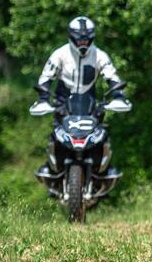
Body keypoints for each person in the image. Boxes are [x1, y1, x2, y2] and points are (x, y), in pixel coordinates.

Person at [30, 16, 130, 178]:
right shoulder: (60, 54)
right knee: (56, 133)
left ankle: (103, 167)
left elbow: (112, 76)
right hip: (63, 101)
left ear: (92, 38)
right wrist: (43, 98)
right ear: (71, 38)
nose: (83, 43)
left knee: (102, 133)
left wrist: (118, 95)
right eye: (79, 40)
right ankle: (52, 165)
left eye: (86, 39)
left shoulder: (100, 55)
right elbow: (46, 76)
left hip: (89, 102)